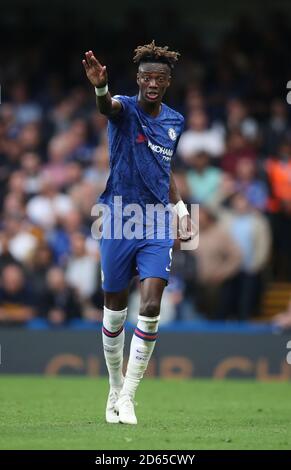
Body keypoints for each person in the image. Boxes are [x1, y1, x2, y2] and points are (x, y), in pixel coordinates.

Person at [82, 41, 194, 425]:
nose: (152, 82)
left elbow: (164, 172)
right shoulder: (124, 108)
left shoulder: (175, 121)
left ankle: (129, 396)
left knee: (149, 306)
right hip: (116, 217)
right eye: (146, 76)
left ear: (167, 82)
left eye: (159, 77)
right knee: (114, 311)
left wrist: (180, 210)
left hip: (156, 221)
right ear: (138, 79)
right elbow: (105, 106)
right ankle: (113, 388)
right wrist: (100, 87)